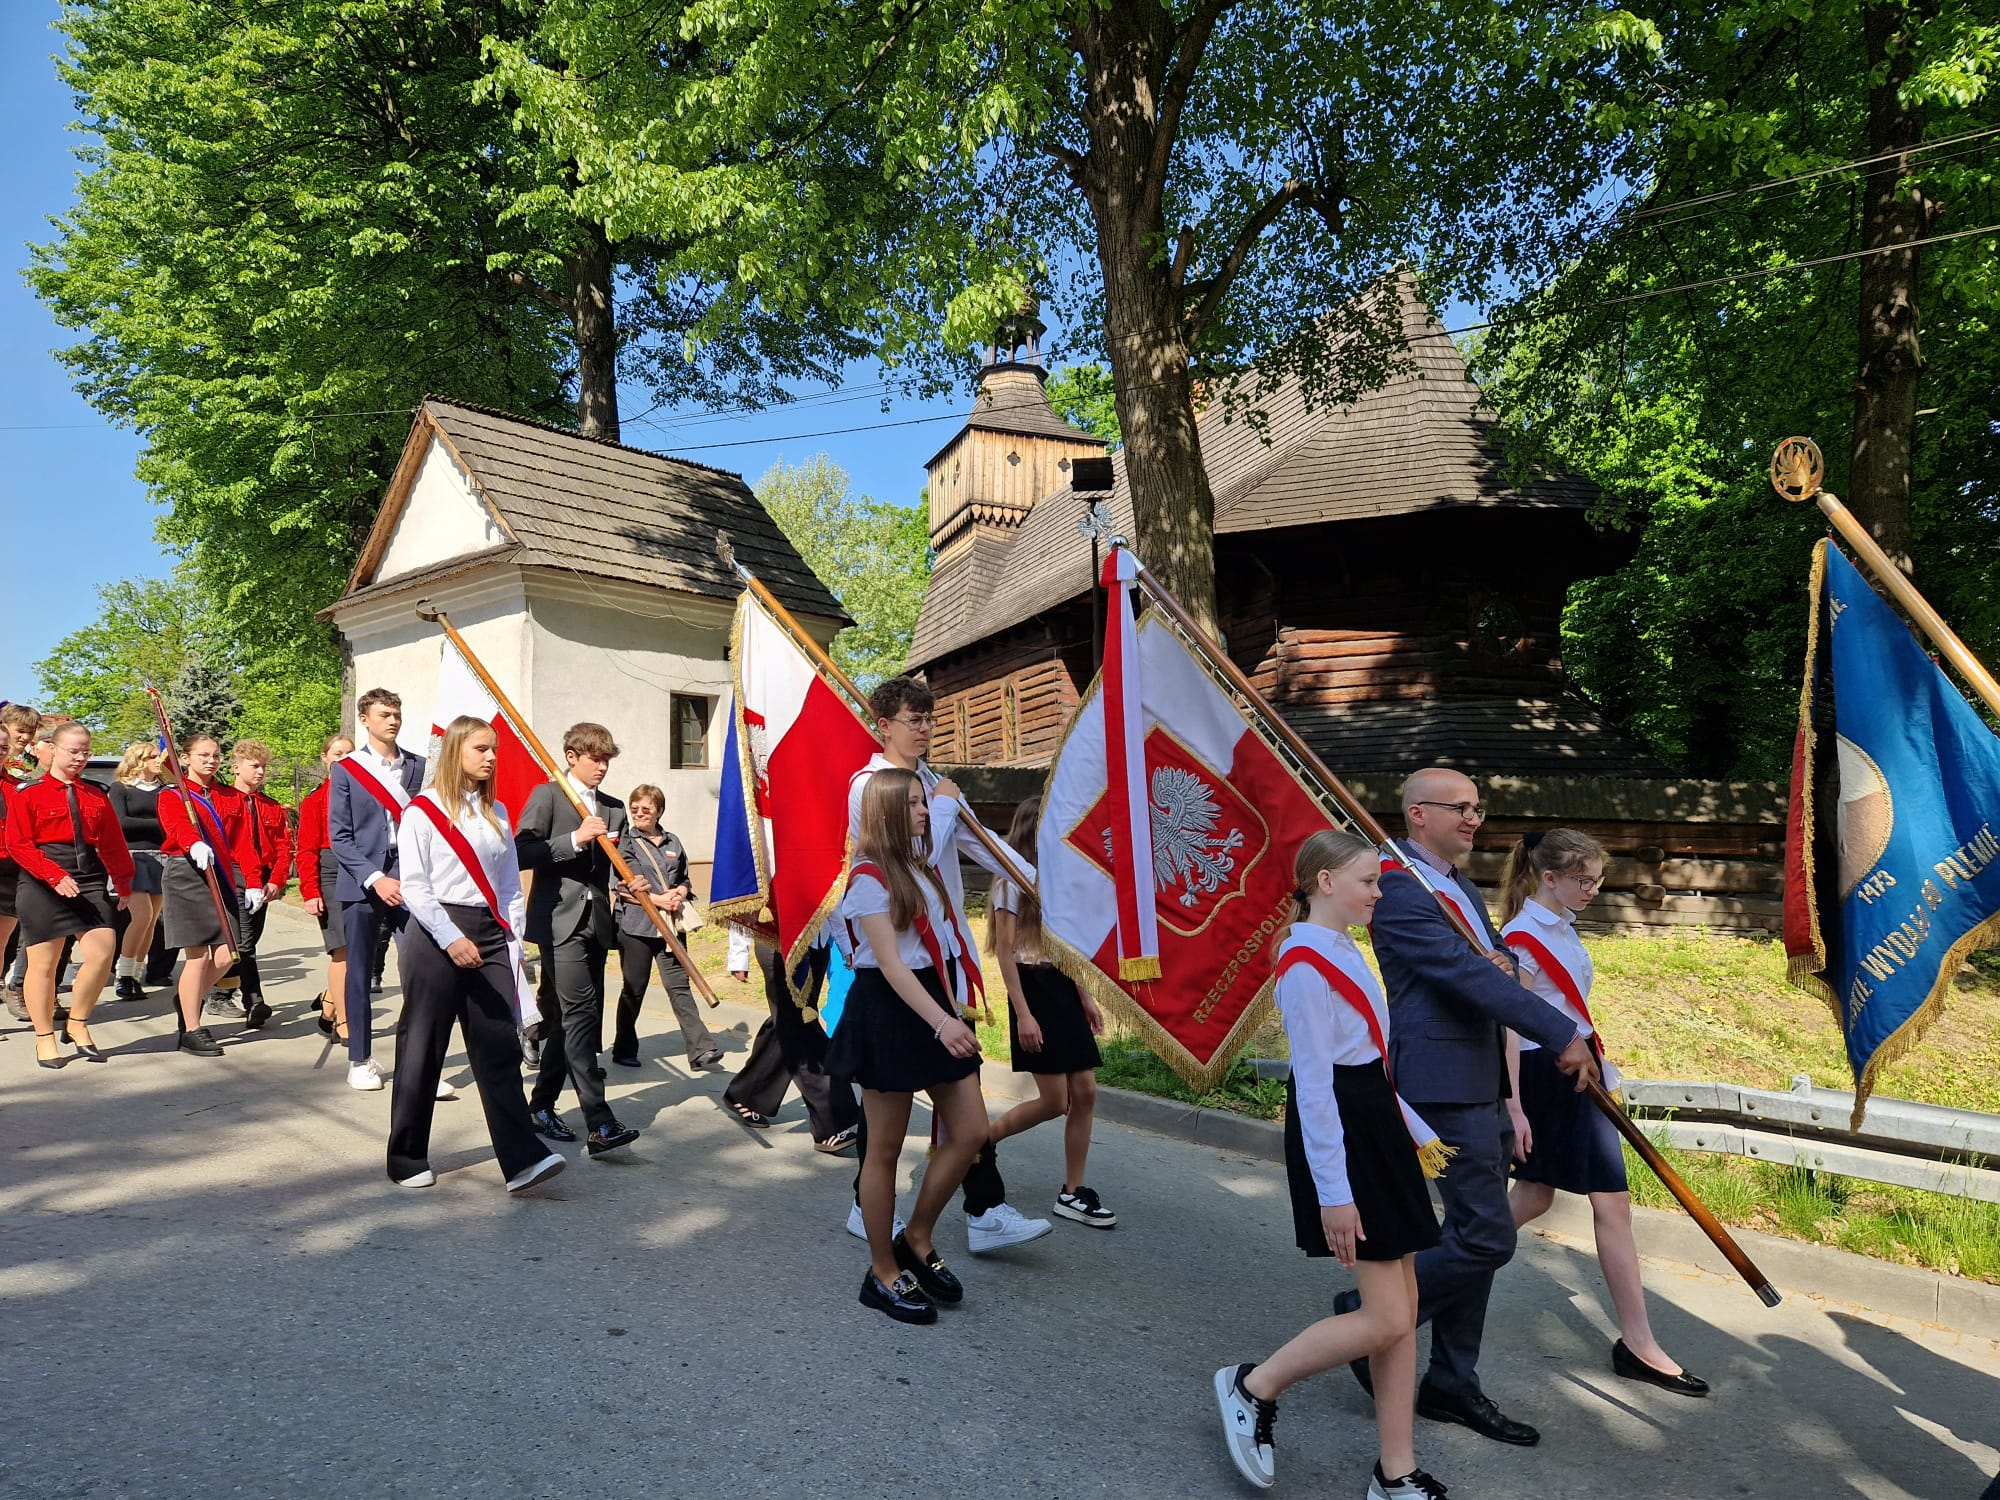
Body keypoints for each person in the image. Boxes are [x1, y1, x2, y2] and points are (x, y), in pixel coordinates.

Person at [1352, 767, 1599, 1447]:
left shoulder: (1457, 886)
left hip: (1485, 1076)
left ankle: (1452, 1382)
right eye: (1458, 808)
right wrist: (1560, 1032)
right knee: (1487, 1236)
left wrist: (1501, 974)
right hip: (1438, 1083)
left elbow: (1502, 967)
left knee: (1476, 1236)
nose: (1473, 819)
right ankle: (1368, 1314)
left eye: (1477, 808)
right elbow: (1468, 974)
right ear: (1416, 815)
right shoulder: (1400, 888)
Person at [1216, 830, 1449, 1499]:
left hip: (1375, 1120)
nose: (1378, 892)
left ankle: (1395, 1472)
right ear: (1325, 882)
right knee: (1386, 1317)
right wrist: (1334, 1194)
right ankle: (1253, 1386)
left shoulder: (1341, 947)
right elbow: (1314, 1089)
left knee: (1400, 1309)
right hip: (1347, 1133)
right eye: (1368, 881)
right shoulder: (1304, 965)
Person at [841, 675, 1050, 1254]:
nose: (925, 729)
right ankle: (873, 1202)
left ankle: (981, 1206)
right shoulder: (871, 787)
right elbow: (901, 866)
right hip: (899, 966)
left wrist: (1040, 881)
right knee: (886, 1099)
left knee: (963, 1095)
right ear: (883, 725)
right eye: (914, 720)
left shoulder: (932, 785)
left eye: (930, 719)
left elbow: (982, 845)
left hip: (945, 959)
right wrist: (937, 807)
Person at [1500, 828, 1707, 1397]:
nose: (1592, 890)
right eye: (1582, 880)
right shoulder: (1520, 936)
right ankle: (1640, 1344)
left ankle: (1423, 1277)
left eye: (1597, 881)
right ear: (1549, 877)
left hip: (1578, 1073)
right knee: (1611, 1205)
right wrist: (1514, 1106)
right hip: (1553, 1078)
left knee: (1535, 1197)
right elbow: (1510, 1026)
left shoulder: (1562, 929)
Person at [830, 768, 989, 1325]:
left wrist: (951, 1011)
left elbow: (941, 950)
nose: (926, 813)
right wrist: (943, 1022)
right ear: (890, 812)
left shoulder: (920, 869)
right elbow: (891, 965)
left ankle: (916, 1235)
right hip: (891, 1012)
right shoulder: (870, 877)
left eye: (925, 803)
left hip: (932, 1003)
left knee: (970, 1131)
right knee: (885, 1150)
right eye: (917, 805)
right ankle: (882, 1270)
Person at [386, 715, 564, 1194]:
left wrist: (512, 933)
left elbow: (508, 885)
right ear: (456, 751)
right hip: (435, 933)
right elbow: (416, 889)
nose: (490, 757)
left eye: (494, 750)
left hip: (489, 930)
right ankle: (405, 1156)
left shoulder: (498, 813)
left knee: (498, 1048)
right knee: (423, 1046)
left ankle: (522, 1159)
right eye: (481, 748)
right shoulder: (421, 812)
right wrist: (450, 938)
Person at [985, 795, 1115, 1227]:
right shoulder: (1009, 880)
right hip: (1031, 988)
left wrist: (1086, 996)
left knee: (1087, 1093)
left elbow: (1065, 948)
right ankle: (981, 1142)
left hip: (1061, 983)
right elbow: (1005, 953)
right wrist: (1023, 1013)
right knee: (1055, 1100)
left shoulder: (1056, 877)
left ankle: (1073, 1191)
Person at [517, 722, 641, 1157]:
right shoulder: (548, 795)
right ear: (572, 756)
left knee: (574, 1019)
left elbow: (614, 867)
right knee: (582, 1013)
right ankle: (599, 1122)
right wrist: (573, 839)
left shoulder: (613, 807)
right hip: (557, 922)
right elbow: (523, 850)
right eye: (595, 758)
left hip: (597, 923)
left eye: (607, 759)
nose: (602, 767)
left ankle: (540, 1106)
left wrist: (631, 884)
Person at [5, 721, 133, 1068]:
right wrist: (52, 874)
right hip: (41, 877)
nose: (80, 758)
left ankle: (77, 1023)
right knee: (44, 963)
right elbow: (17, 844)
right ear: (53, 749)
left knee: (103, 950)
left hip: (88, 877)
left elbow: (112, 843)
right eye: (73, 751)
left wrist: (123, 882)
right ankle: (44, 1036)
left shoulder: (95, 794)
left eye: (85, 752)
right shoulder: (28, 793)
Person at [328, 688, 425, 1090]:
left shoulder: (419, 766)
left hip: (412, 879)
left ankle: (418, 1066)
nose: (393, 720)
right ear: (365, 719)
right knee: (361, 974)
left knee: (421, 971)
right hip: (363, 882)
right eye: (384, 714)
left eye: (397, 713)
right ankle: (361, 1059)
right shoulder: (348, 769)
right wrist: (375, 877)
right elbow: (340, 835)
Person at [157, 733, 260, 1057]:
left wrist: (254, 880)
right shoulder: (174, 795)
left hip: (222, 874)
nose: (211, 760)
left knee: (229, 954)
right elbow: (176, 826)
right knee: (198, 956)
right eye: (203, 755)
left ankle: (187, 996)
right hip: (186, 873)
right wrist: (193, 843)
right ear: (185, 758)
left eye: (215, 755)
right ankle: (191, 1029)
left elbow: (243, 842)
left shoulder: (229, 796)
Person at [610, 783, 722, 1070]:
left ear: (659, 811)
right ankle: (623, 1047)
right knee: (634, 987)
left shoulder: (673, 841)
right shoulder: (627, 842)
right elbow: (621, 886)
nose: (638, 813)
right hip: (636, 927)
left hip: (670, 925)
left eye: (646, 809)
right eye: (634, 808)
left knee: (679, 986)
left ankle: (701, 1050)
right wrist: (658, 899)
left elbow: (684, 878)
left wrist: (680, 893)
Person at [722, 932, 862, 1153]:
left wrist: (847, 946)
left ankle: (745, 1094)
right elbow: (747, 902)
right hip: (779, 944)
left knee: (791, 1022)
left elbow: (832, 902)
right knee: (800, 1029)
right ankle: (831, 1123)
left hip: (817, 944)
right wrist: (739, 954)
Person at [221, 739, 292, 1030]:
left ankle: (219, 990)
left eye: (264, 766)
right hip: (235, 875)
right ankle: (255, 1001)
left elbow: (284, 847)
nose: (261, 771)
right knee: (244, 943)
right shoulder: (223, 800)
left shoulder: (271, 806)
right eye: (254, 766)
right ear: (236, 768)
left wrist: (276, 880)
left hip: (262, 878)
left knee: (248, 942)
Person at [296, 735, 355, 1041]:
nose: (343, 758)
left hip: (361, 870)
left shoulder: (365, 793)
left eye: (349, 753)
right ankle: (344, 1022)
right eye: (337, 753)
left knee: (361, 950)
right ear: (325, 758)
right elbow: (306, 850)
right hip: (330, 872)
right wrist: (311, 891)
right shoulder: (315, 800)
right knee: (342, 950)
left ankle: (330, 1002)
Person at [107, 742, 169, 1000]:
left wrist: (161, 825)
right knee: (141, 917)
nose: (158, 761)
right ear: (138, 761)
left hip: (161, 857)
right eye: (152, 757)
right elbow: (121, 823)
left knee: (152, 921)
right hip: (132, 857)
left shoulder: (166, 791)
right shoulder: (121, 788)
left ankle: (135, 974)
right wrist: (160, 823)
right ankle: (123, 974)